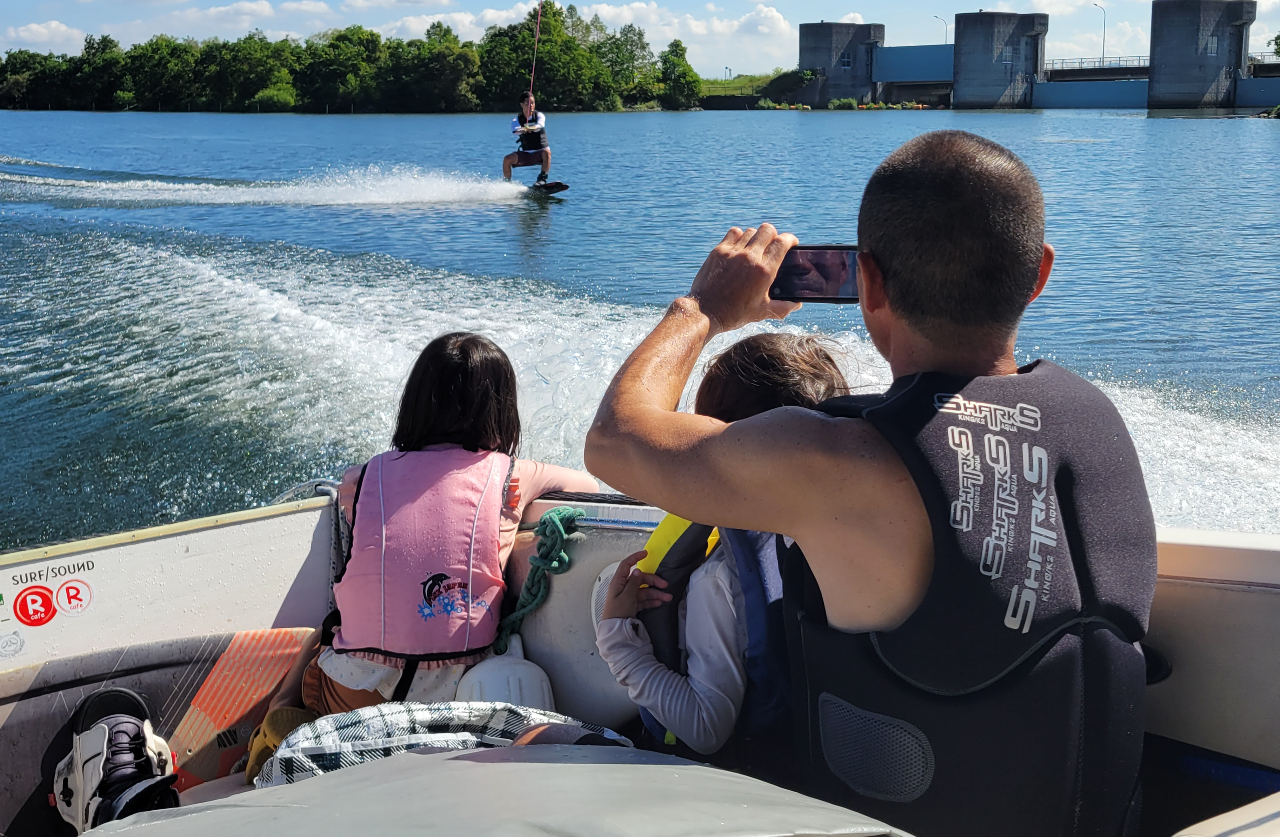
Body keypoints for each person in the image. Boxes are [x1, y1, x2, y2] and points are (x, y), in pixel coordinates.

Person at [584, 131, 1157, 837]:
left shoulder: (844, 459)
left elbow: (613, 440)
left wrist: (703, 307)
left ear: (869, 283)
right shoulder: (1096, 419)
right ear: (1037, 274)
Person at [270, 332, 597, 719]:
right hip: (460, 687)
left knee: (319, 639)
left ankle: (279, 711)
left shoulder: (363, 478)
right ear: (502, 410)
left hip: (358, 690)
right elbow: (589, 487)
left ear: (415, 405)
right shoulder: (513, 476)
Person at [596, 333, 847, 766]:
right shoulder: (846, 534)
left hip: (749, 766)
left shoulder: (718, 581)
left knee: (604, 591)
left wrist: (616, 640)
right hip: (826, 740)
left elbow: (706, 729)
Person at [502, 90, 551, 184]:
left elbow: (539, 126)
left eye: (532, 103)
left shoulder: (539, 116)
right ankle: (506, 183)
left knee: (547, 152)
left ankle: (542, 179)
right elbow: (515, 131)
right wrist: (525, 129)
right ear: (522, 105)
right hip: (527, 154)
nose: (531, 105)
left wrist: (528, 128)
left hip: (540, 153)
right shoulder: (516, 120)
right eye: (527, 103)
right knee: (507, 159)